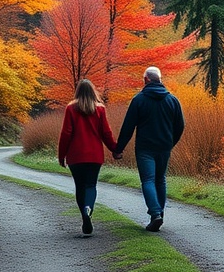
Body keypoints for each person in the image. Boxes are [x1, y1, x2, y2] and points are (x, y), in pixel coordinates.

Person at [112, 66, 185, 232]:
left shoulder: (139, 100)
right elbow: (180, 125)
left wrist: (119, 148)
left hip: (145, 148)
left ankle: (155, 213)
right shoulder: (172, 100)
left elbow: (128, 127)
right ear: (160, 79)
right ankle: (159, 214)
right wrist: (171, 142)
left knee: (148, 180)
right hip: (164, 147)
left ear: (146, 80)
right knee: (160, 179)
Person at [58, 79, 117, 237]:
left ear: (77, 91)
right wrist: (115, 149)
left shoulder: (71, 108)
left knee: (80, 186)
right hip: (94, 155)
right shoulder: (100, 109)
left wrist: (61, 155)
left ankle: (84, 215)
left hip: (75, 155)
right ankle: (88, 209)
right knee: (91, 185)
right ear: (93, 92)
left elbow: (66, 134)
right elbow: (106, 133)